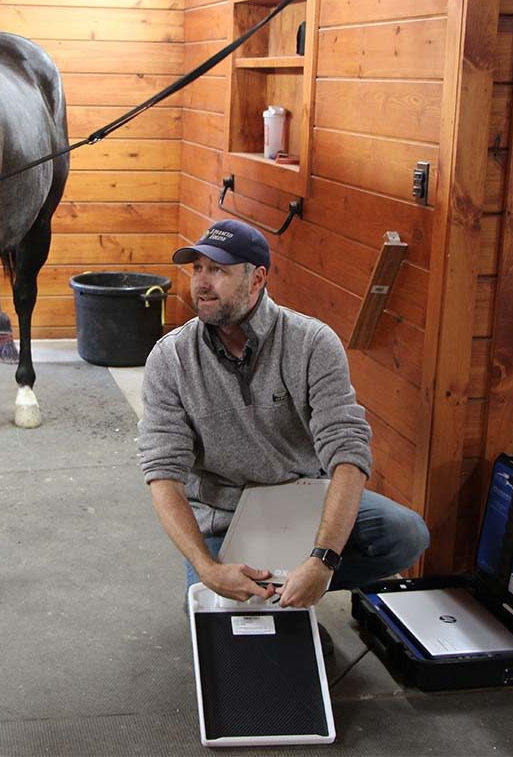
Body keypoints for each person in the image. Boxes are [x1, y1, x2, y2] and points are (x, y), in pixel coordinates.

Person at [138, 219, 429, 608]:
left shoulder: (311, 343)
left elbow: (348, 451)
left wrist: (324, 560)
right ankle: (273, 595)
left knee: (405, 533)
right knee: (230, 643)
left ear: (256, 279)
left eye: (218, 270)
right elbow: (163, 475)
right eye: (198, 269)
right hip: (222, 511)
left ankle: (292, 583)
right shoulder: (170, 358)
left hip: (303, 500)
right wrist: (207, 568)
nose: (202, 284)